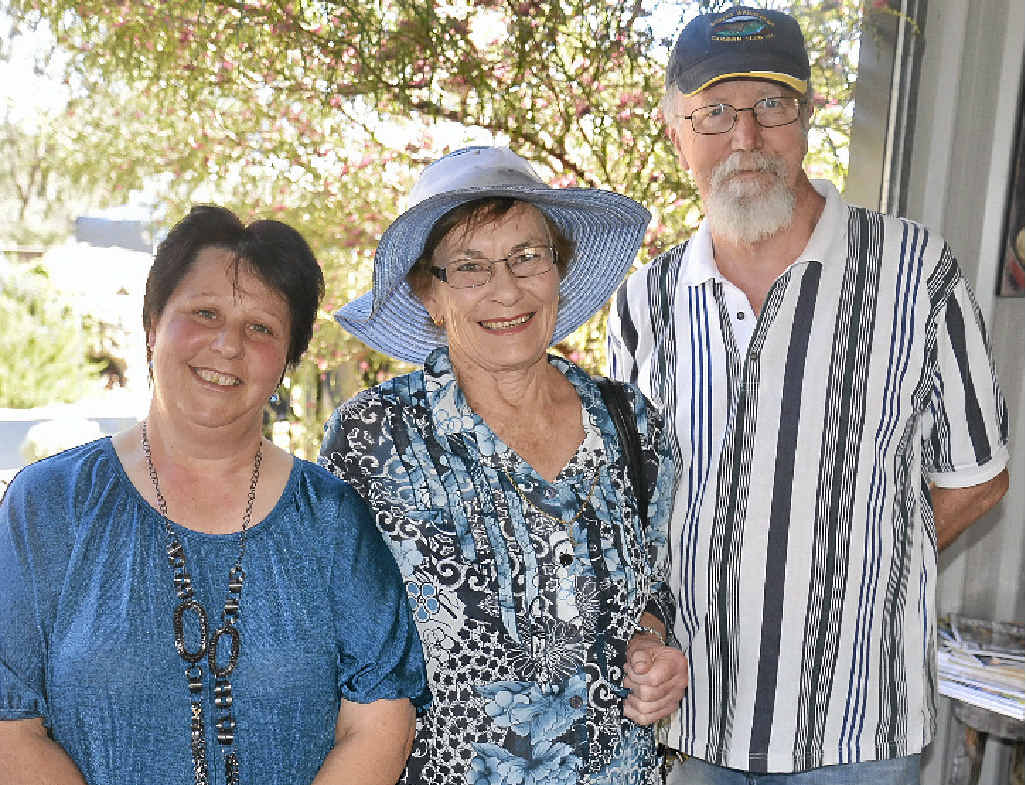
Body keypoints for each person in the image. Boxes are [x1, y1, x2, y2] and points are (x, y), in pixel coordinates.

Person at [608, 7, 1011, 784]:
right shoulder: (645, 303)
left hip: (857, 727)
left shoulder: (914, 272)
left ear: (809, 114)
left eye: (772, 105)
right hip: (694, 721)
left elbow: (978, 477)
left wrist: (860, 565)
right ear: (675, 131)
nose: (745, 137)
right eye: (714, 112)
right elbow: (630, 508)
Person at [0, 206, 428, 785]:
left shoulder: (331, 519)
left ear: (287, 360)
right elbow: (10, 724)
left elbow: (379, 720)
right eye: (205, 313)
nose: (228, 345)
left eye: (261, 328)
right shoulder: (49, 502)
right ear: (152, 325)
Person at [319, 146, 688, 785]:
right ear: (429, 293)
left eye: (528, 257)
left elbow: (655, 587)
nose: (507, 289)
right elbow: (334, 649)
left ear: (557, 270)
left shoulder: (630, 423)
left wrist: (653, 648)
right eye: (470, 267)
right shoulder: (375, 439)